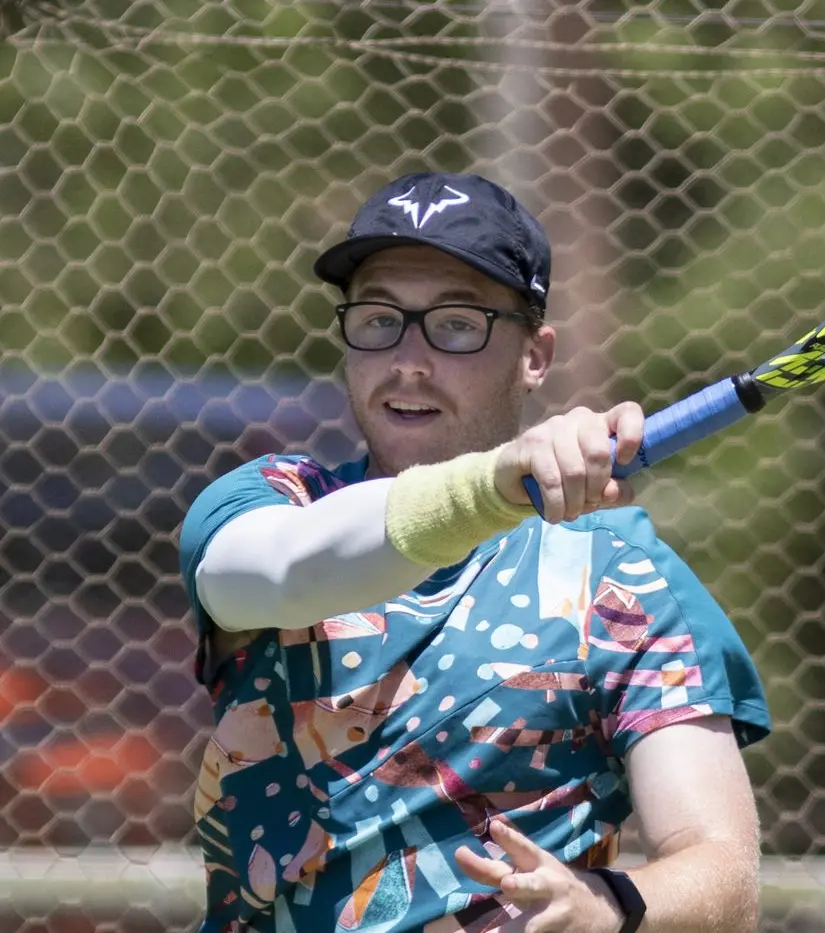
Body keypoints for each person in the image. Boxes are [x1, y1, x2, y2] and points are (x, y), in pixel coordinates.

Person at [177, 171, 771, 933]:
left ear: (535, 355)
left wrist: (605, 905)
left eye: (457, 324)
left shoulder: (621, 572)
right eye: (379, 318)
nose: (409, 359)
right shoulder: (272, 501)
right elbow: (281, 574)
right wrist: (494, 484)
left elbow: (723, 871)